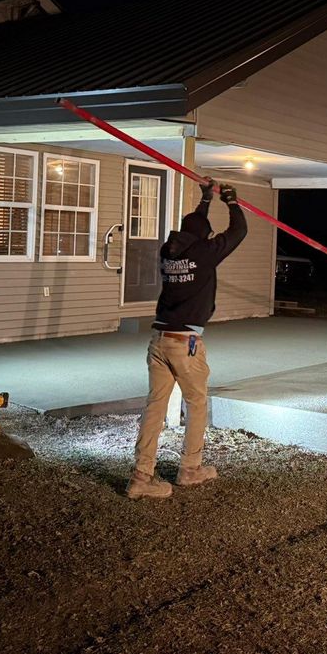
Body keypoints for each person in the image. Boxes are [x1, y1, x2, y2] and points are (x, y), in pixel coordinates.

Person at [127, 177, 247, 499]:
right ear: (203, 236)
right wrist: (232, 201)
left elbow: (194, 226)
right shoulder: (205, 252)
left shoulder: (169, 252)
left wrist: (206, 199)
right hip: (186, 342)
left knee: (155, 405)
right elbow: (238, 233)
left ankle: (141, 476)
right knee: (196, 402)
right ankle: (190, 469)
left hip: (159, 339)